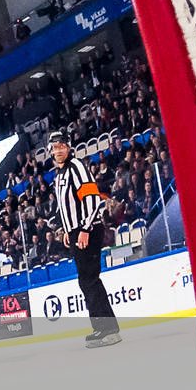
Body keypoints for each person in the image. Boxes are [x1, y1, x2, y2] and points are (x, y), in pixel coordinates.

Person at [48, 130, 121, 347]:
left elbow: (91, 199)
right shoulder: (59, 174)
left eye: (62, 145)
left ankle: (108, 329)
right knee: (86, 279)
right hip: (76, 230)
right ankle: (102, 327)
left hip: (88, 229)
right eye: (55, 147)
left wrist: (84, 229)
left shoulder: (76, 167)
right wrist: (67, 231)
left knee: (90, 279)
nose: (59, 149)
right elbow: (66, 206)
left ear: (68, 147)